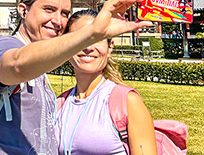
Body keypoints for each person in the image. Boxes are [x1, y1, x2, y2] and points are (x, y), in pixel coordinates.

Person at [0, 0, 151, 155]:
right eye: (48, 9)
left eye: (64, 13)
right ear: (23, 11)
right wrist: (92, 32)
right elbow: (17, 65)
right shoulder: (1, 47)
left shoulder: (44, 74)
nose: (58, 21)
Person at [55, 9, 157, 155]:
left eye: (96, 39)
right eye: (80, 39)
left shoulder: (126, 101)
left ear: (110, 47)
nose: (88, 48)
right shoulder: (60, 104)